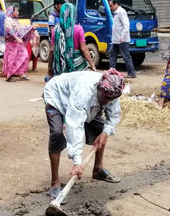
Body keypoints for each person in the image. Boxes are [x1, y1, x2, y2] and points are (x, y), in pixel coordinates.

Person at [43, 70, 125, 199]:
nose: (108, 102)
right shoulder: (84, 93)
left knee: (100, 128)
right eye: (105, 99)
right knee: (57, 134)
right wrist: (77, 162)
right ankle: (55, 182)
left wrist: (105, 132)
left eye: (111, 100)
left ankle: (98, 169)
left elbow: (113, 115)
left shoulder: (114, 91)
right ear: (99, 90)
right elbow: (75, 126)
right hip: (56, 96)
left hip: (84, 102)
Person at [47, 0, 96, 79]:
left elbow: (52, 50)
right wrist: (92, 65)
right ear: (73, 14)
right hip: (76, 66)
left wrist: (49, 67)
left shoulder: (55, 30)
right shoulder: (78, 29)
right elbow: (84, 49)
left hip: (60, 67)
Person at [2, 6, 36, 82]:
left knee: (25, 56)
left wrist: (31, 27)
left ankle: (21, 73)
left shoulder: (16, 21)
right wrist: (16, 38)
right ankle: (9, 75)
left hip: (18, 43)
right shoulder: (8, 20)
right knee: (12, 59)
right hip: (11, 44)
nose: (18, 12)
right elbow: (9, 30)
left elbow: (22, 29)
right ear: (12, 12)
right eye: (16, 11)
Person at [109, 0, 136, 78]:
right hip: (116, 40)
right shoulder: (116, 13)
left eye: (111, 6)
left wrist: (123, 36)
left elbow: (126, 25)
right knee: (112, 54)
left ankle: (131, 73)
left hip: (122, 40)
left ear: (116, 4)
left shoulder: (121, 12)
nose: (110, 8)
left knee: (126, 56)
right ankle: (112, 71)